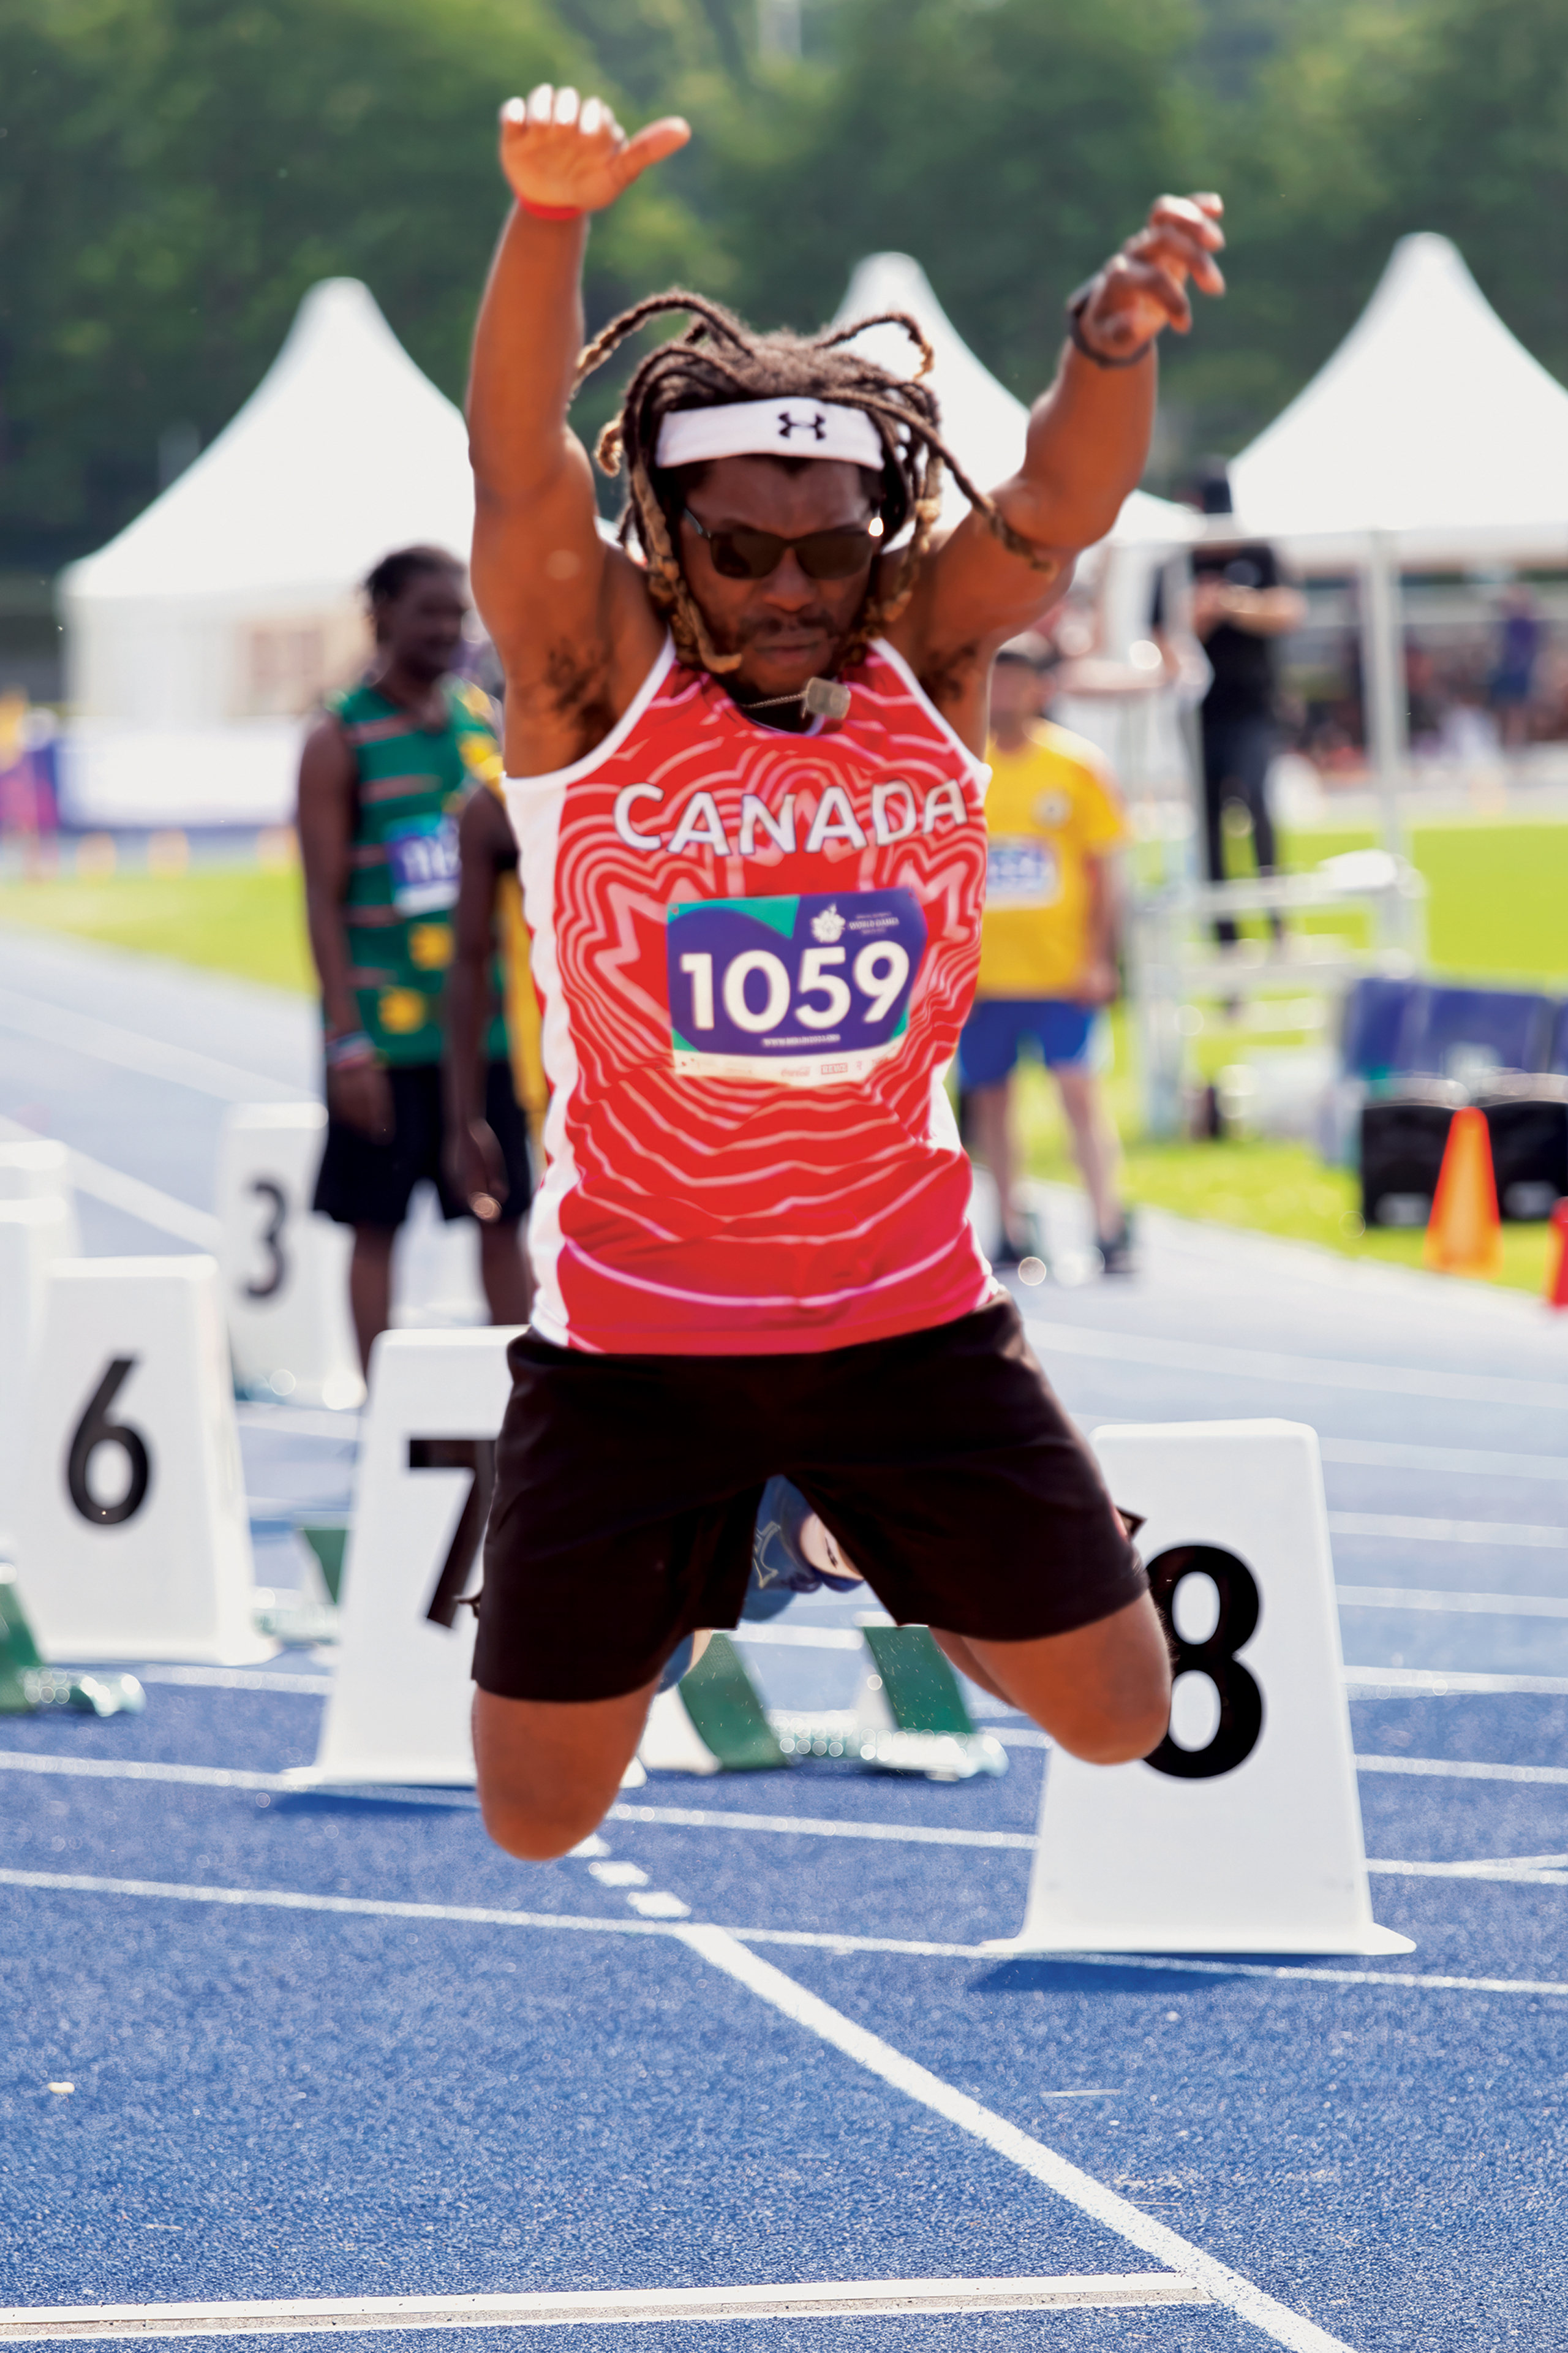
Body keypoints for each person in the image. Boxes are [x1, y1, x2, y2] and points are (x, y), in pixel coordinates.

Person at [466, 80, 1226, 1860]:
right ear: (668, 533)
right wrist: (551, 217)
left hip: (906, 1319)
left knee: (1120, 1718)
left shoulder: (927, 658)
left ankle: (827, 1521)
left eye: (831, 544)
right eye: (742, 550)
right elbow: (512, 463)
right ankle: (760, 1524)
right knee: (537, 1821)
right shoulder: (588, 680)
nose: (792, 585)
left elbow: (1057, 493)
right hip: (637, 1343)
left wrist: (1104, 336)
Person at [298, 546, 533, 1373]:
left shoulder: (481, 721)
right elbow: (322, 903)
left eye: (457, 615)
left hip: (488, 1032)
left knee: (504, 1218)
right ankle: (383, 1420)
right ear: (383, 615)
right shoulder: (340, 738)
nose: (447, 630)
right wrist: (345, 1040)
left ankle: (521, 1414)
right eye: (429, 612)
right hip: (389, 1036)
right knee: (377, 1228)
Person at [959, 636, 1133, 1275]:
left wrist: (1098, 957)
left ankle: (1108, 1222)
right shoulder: (962, 765)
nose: (1001, 694)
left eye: (1015, 681)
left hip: (1060, 973)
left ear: (1041, 690)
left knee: (1078, 1095)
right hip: (984, 978)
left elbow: (1105, 870)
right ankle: (1008, 1222)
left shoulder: (1076, 766)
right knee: (991, 1102)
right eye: (992, 681)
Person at [1171, 460, 1305, 946]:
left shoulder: (1258, 552)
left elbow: (1288, 610)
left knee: (1255, 799)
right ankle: (1225, 935)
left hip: (1252, 705)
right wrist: (1196, 619)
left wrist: (1230, 604)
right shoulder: (1178, 561)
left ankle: (1277, 919)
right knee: (1207, 822)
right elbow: (1162, 636)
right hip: (1198, 711)